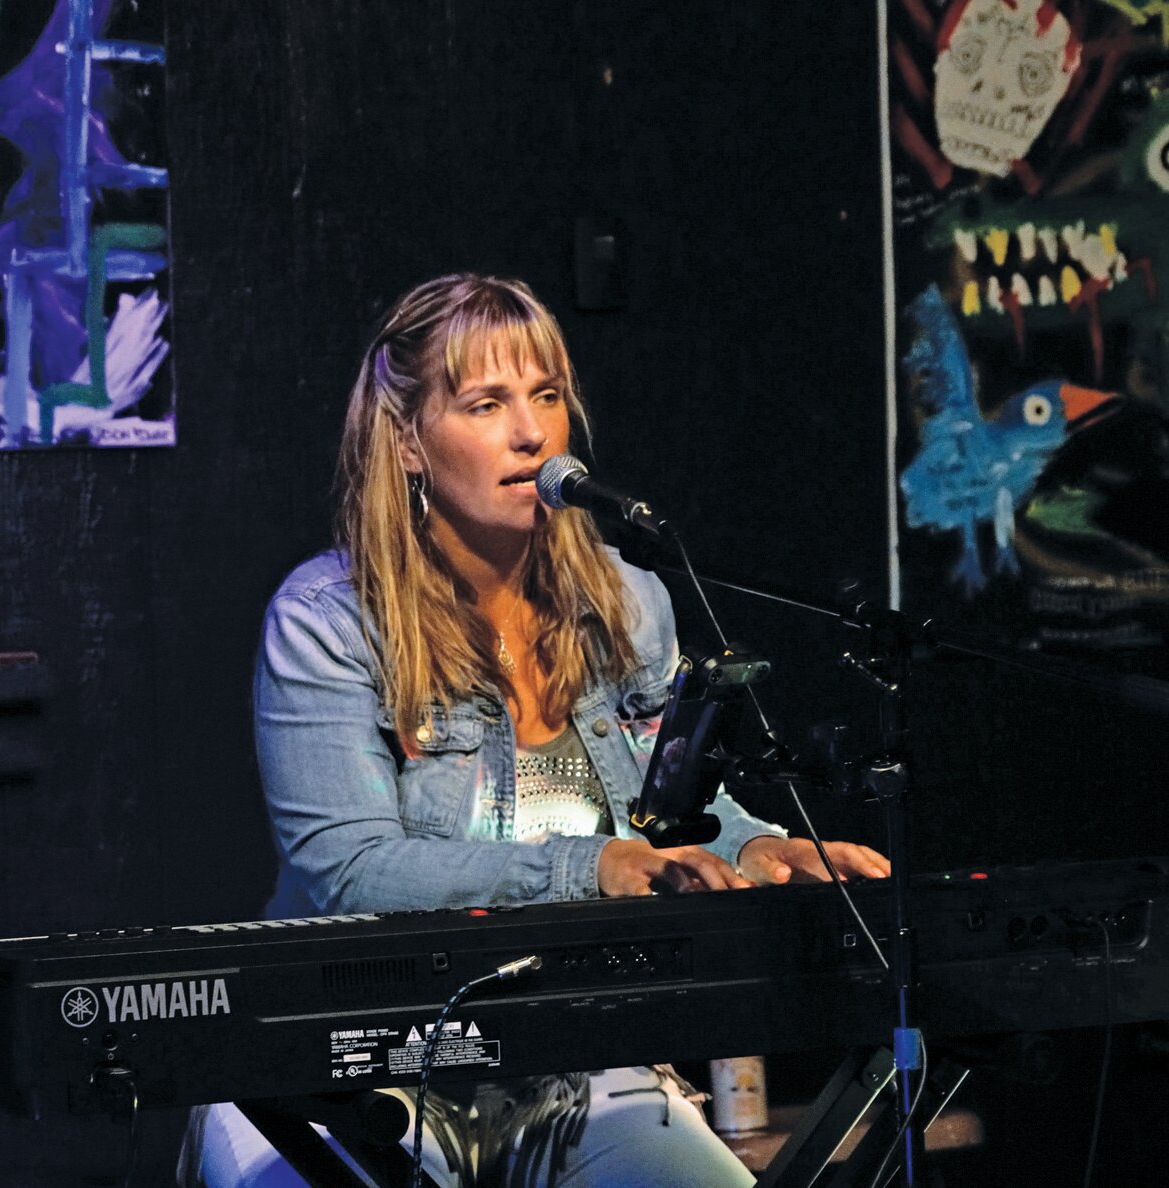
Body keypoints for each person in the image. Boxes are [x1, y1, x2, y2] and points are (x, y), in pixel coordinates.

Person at [181, 274, 890, 1188]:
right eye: (487, 403)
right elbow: (350, 866)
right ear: (405, 442)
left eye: (546, 396)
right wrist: (586, 867)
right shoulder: (328, 619)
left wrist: (758, 850)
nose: (532, 432)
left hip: (574, 1054)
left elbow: (671, 807)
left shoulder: (627, 598)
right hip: (355, 1063)